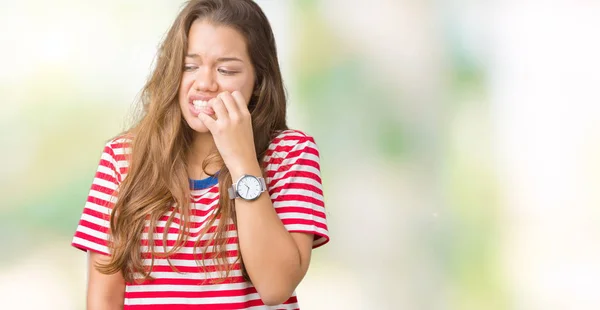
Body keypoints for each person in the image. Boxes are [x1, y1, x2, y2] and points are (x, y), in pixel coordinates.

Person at [71, 0, 330, 309]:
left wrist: (242, 161)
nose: (205, 84)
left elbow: (276, 287)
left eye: (226, 69)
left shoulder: (290, 154)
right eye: (189, 66)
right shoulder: (122, 159)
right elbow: (104, 299)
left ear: (258, 81)